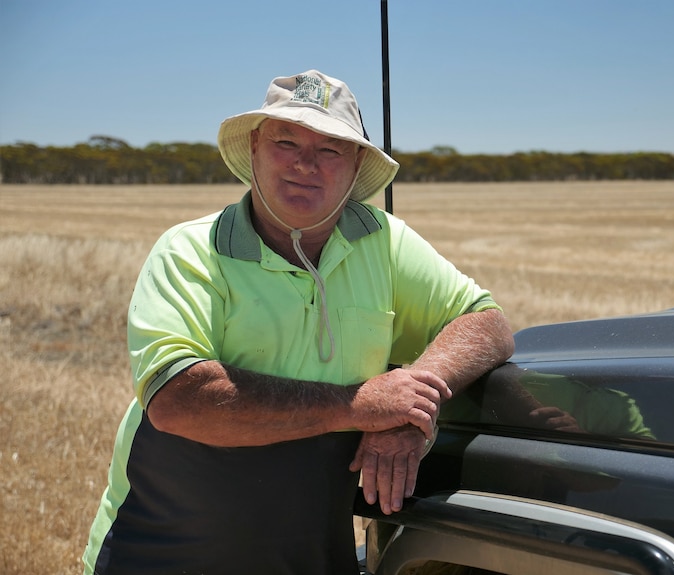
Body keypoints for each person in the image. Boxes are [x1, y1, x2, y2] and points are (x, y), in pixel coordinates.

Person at [82, 70, 514, 574]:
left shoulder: (383, 241)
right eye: (287, 141)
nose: (306, 164)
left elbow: (486, 322)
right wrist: (359, 406)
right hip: (158, 551)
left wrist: (410, 410)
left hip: (310, 555)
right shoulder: (191, 250)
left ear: (356, 167)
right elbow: (180, 400)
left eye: (331, 149)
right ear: (255, 148)